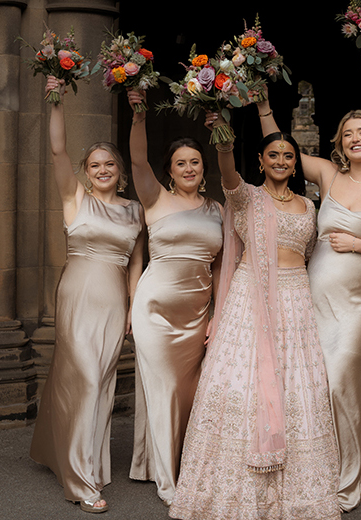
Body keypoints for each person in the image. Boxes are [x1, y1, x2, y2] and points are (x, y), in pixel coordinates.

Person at [169, 111, 339, 520]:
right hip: (251, 297)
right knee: (240, 385)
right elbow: (227, 171)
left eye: (288, 156)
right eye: (273, 155)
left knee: (295, 385)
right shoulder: (245, 196)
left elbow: (310, 255)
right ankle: (231, 490)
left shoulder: (310, 205)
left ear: (295, 164)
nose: (281, 161)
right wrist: (223, 137)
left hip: (296, 299)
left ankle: (295, 490)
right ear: (261, 161)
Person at [256, 94, 361, 511]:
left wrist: (359, 243)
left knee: (342, 383)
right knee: (312, 386)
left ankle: (348, 480)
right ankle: (314, 470)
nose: (355, 139)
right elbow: (280, 147)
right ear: (339, 144)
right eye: (348, 134)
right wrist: (261, 105)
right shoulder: (327, 174)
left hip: (358, 303)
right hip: (313, 298)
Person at [29, 75, 144, 514]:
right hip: (77, 295)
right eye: (95, 165)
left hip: (115, 301)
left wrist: (133, 304)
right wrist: (55, 98)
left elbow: (135, 259)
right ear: (86, 170)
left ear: (119, 170)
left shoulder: (134, 209)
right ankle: (81, 483)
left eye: (109, 165)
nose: (102, 171)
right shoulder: (74, 197)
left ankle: (89, 463)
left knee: (102, 383)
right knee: (86, 379)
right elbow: (57, 150)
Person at [123, 88, 222, 506]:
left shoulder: (218, 211)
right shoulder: (155, 199)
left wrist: (217, 314)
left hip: (197, 313)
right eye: (180, 163)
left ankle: (175, 462)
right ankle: (168, 483)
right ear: (169, 170)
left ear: (204, 168)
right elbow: (137, 160)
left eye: (195, 162)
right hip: (156, 308)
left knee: (186, 392)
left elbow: (220, 268)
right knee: (163, 388)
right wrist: (139, 112)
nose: (188, 168)